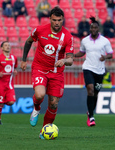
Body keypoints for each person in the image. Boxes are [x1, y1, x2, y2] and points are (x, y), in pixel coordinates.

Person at [20, 6, 73, 139]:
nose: (56, 23)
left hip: (56, 73)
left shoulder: (67, 36)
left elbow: (71, 59)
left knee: (53, 103)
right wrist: (24, 60)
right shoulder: (39, 30)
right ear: (50, 19)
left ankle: (43, 131)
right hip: (40, 68)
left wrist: (64, 61)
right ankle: (36, 108)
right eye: (54, 20)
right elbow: (28, 42)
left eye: (59, 20)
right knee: (39, 95)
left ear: (63, 20)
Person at [74, 17, 113, 127]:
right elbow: (82, 52)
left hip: (100, 71)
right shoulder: (85, 40)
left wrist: (105, 57)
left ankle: (90, 112)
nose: (93, 29)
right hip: (88, 68)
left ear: (98, 29)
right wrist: (73, 55)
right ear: (90, 29)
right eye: (92, 27)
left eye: (95, 27)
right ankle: (91, 116)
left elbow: (111, 54)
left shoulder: (105, 41)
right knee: (90, 90)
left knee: (95, 93)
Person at [0, 41, 18, 125]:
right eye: (5, 45)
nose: (7, 46)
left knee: (11, 102)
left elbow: (15, 67)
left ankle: (2, 102)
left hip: (9, 84)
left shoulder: (14, 58)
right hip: (0, 84)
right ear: (2, 48)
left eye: (9, 45)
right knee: (1, 103)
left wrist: (15, 71)